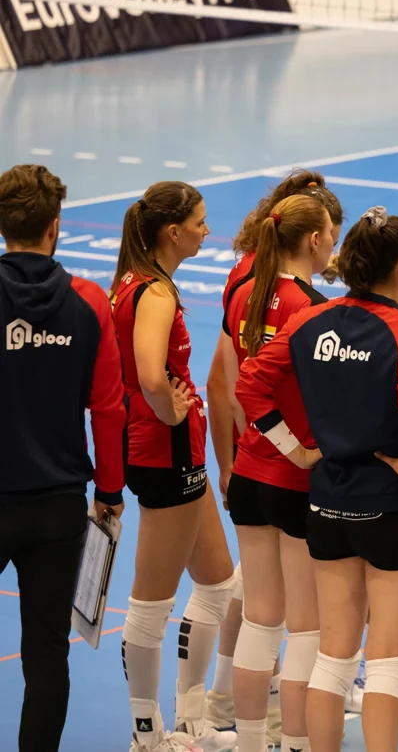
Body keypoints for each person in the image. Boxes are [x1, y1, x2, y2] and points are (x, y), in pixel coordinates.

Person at [236, 207, 398, 752]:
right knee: (389, 662)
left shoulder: (310, 320)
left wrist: (296, 452)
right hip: (393, 509)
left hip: (327, 505)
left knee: (333, 655)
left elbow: (250, 383)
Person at [207, 170, 348, 731]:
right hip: (293, 480)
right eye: (331, 234)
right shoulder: (313, 310)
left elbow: (235, 386)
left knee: (260, 620)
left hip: (249, 471)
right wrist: (300, 451)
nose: (334, 242)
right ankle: (294, 741)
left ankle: (247, 740)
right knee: (305, 628)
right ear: (313, 240)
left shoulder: (245, 290)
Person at [0, 165, 126, 752]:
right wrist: (110, 492)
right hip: (57, 507)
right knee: (47, 654)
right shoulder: (89, 302)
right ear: (55, 226)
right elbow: (109, 409)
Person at [109, 181, 238, 752]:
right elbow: (149, 374)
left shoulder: (135, 282)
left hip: (173, 454)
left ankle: (191, 719)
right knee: (150, 603)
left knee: (218, 583)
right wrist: (169, 411)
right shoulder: (155, 292)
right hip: (165, 455)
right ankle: (147, 735)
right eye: (200, 222)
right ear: (172, 231)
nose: (207, 231)